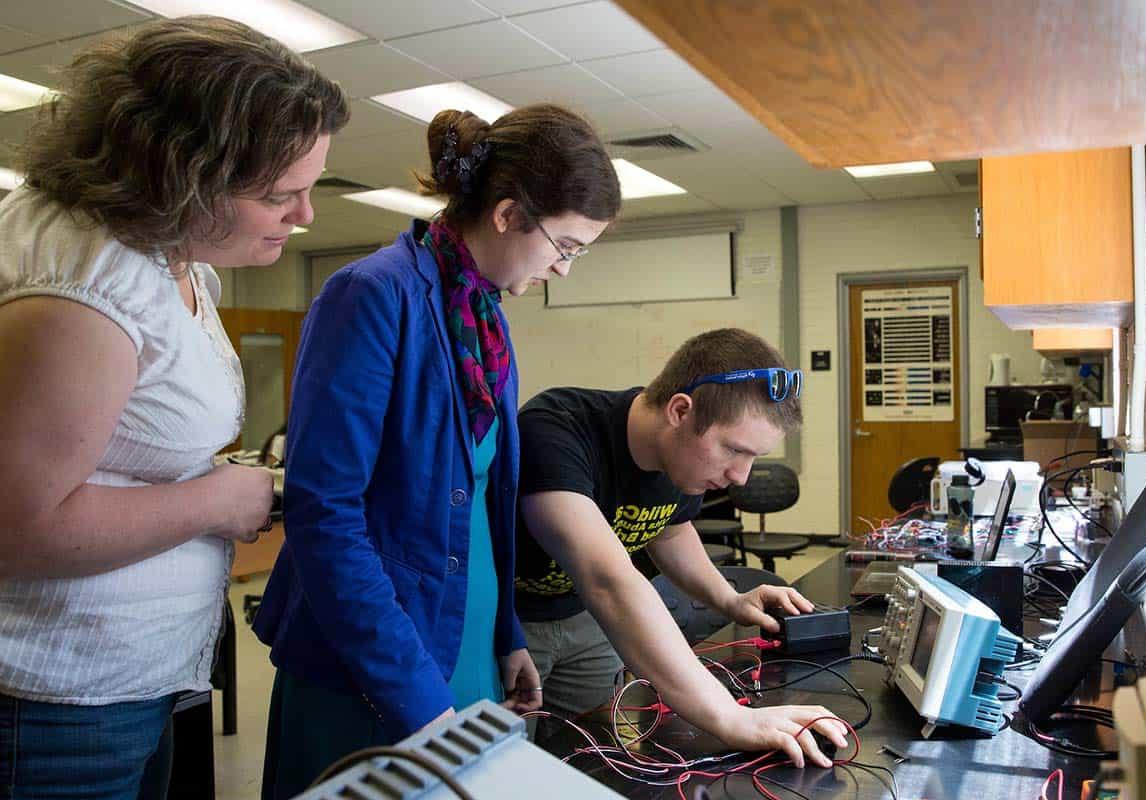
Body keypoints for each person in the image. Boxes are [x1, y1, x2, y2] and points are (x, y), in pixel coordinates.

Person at [0, 16, 348, 799]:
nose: (305, 216)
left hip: (126, 679)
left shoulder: (166, 254)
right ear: (179, 175)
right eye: (277, 194)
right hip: (56, 700)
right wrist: (212, 500)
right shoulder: (81, 293)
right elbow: (17, 528)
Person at [252, 103, 622, 798]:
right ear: (509, 214)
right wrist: (415, 694)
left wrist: (507, 632)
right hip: (378, 661)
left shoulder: (484, 319)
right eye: (566, 247)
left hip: (468, 641)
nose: (565, 270)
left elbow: (485, 502)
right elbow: (325, 513)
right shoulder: (372, 295)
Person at [515, 328, 849, 766]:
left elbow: (670, 530)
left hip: (585, 621)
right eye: (734, 450)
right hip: (510, 627)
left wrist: (729, 598)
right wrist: (731, 717)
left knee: (588, 760)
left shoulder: (682, 460)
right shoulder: (555, 429)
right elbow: (608, 581)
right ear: (680, 411)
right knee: (502, 765)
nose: (741, 477)